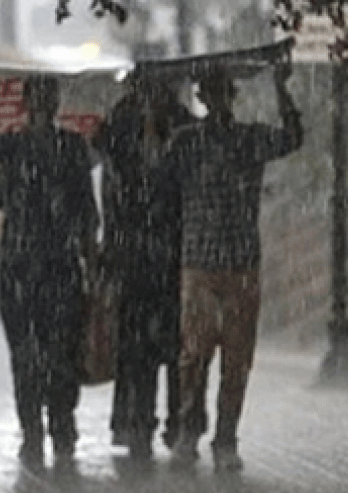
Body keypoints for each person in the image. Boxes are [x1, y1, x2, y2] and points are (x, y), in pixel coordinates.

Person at [155, 61, 303, 472]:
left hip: (239, 262)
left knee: (236, 359)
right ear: (203, 98)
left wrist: (282, 90)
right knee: (193, 355)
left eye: (222, 93)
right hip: (200, 263)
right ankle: (189, 428)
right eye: (210, 93)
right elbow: (159, 185)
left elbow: (292, 137)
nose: (217, 100)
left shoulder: (249, 139)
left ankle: (225, 437)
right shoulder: (185, 142)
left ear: (229, 97)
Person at [0, 74, 99, 470]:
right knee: (34, 355)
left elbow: (85, 211)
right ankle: (42, 431)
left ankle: (53, 430)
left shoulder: (60, 148)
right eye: (40, 98)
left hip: (49, 267)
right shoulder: (21, 147)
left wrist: (91, 257)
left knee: (53, 354)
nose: (43, 106)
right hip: (29, 268)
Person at [97, 73, 198, 460]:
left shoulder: (181, 124)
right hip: (137, 254)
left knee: (174, 346)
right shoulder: (122, 124)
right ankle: (138, 423)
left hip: (170, 253)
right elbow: (114, 184)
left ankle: (177, 421)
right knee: (137, 347)